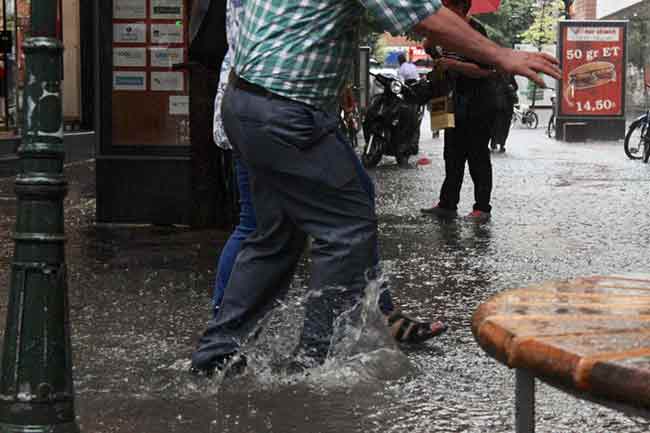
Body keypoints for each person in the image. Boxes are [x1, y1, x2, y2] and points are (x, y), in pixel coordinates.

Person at [191, 0, 561, 375]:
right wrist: (500, 54)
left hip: (246, 103)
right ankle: (310, 364)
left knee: (274, 235)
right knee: (346, 229)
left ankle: (215, 358)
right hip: (286, 112)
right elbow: (422, 14)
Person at [209, 0, 446, 351]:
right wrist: (499, 55)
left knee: (285, 226)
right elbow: (417, 15)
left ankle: (222, 346)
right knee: (298, 226)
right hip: (276, 105)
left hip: (272, 103)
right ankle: (302, 350)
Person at [420, 0, 500, 222]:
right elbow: (435, 52)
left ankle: (482, 208)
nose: (442, 11)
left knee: (477, 156)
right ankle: (447, 203)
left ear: (461, 7)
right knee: (452, 155)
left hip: (478, 103)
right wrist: (432, 45)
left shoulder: (475, 31)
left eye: (447, 6)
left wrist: (452, 65)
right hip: (452, 102)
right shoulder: (446, 32)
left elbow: (486, 71)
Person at [490, 74, 518, 152]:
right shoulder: (496, 74)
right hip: (497, 107)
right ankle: (495, 143)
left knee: (503, 126)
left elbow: (515, 86)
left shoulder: (508, 75)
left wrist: (511, 87)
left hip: (505, 107)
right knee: (496, 126)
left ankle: (500, 144)